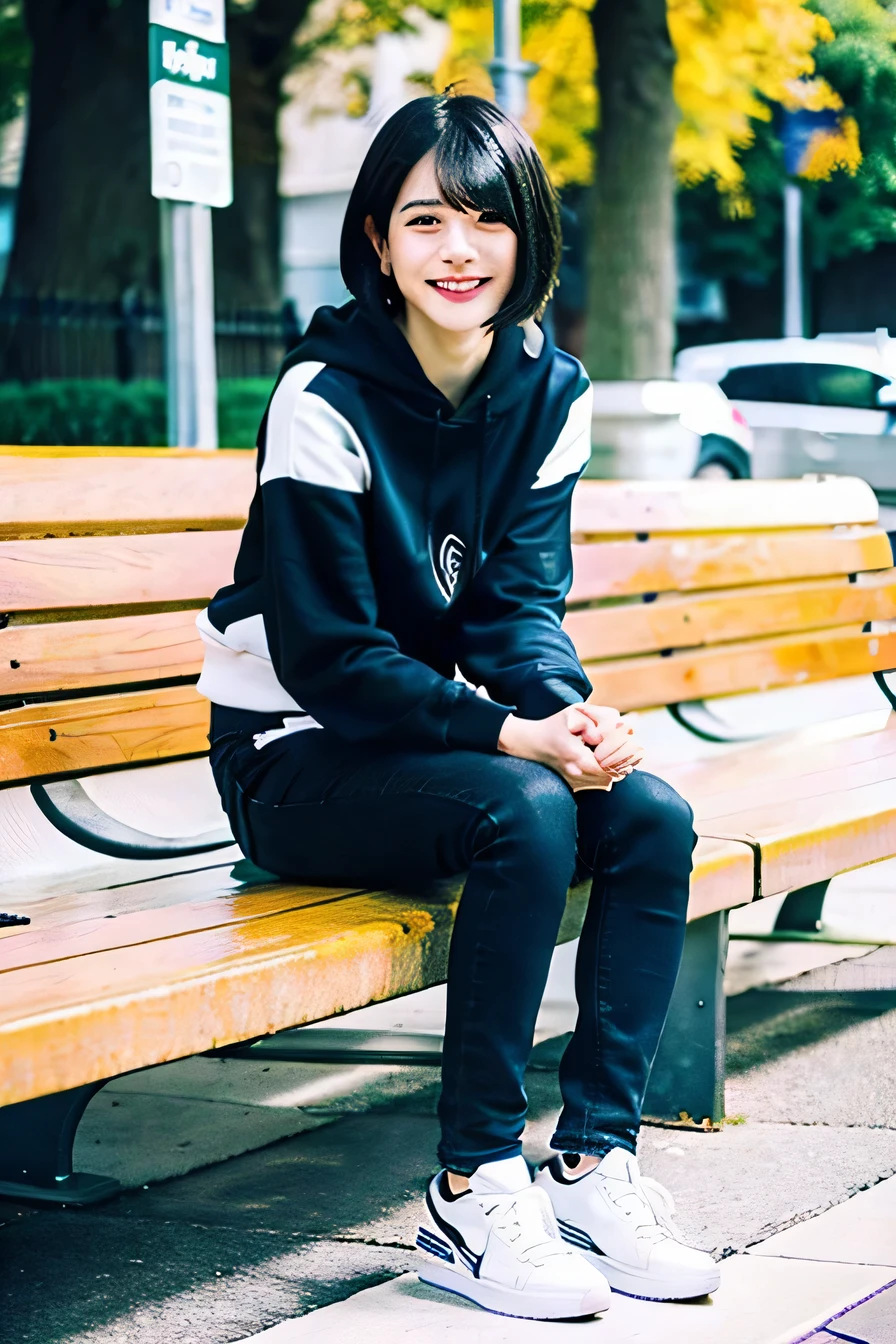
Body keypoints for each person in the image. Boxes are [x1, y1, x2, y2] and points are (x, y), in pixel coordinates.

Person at [197, 90, 719, 1322]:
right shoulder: (321, 398)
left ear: (525, 236)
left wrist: (568, 714)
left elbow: (515, 610)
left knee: (646, 814)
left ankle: (592, 1161)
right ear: (375, 237)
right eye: (424, 219)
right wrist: (508, 735)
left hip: (428, 748)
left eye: (485, 219)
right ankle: (471, 1186)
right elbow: (327, 658)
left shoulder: (548, 390)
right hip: (293, 759)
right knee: (522, 810)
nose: (457, 249)